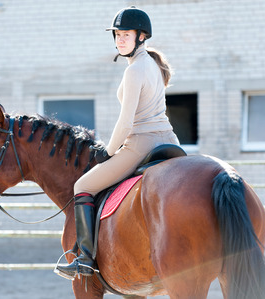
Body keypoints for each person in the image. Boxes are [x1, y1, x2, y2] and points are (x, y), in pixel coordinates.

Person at [55, 6, 180, 280]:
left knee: (83, 185)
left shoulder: (135, 70)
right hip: (170, 141)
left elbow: (126, 123)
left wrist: (108, 152)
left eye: (126, 35)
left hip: (141, 144)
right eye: (118, 35)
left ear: (141, 36)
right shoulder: (154, 65)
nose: (120, 40)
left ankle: (85, 259)